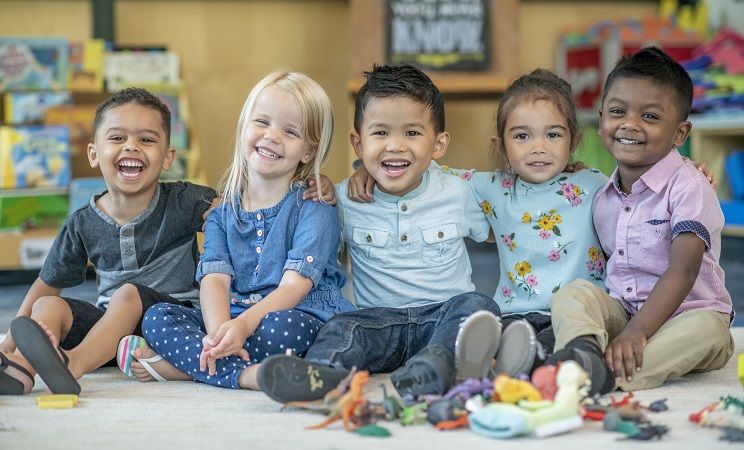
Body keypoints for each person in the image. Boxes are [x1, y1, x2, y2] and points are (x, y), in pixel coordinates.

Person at [257, 64, 514, 404]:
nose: (395, 145)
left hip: (442, 317)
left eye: (412, 133)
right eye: (380, 133)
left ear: (438, 144)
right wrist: (320, 185)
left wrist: (565, 176)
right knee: (341, 326)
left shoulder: (458, 191)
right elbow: (298, 220)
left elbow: (506, 224)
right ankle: (320, 374)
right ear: (358, 143)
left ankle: (435, 365)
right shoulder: (343, 199)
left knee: (480, 306)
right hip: (378, 323)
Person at [347, 69, 611, 379]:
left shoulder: (594, 185)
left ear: (573, 140)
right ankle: (522, 365)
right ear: (501, 146)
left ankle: (535, 363)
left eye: (553, 135)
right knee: (491, 336)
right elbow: (423, 167)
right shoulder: (493, 187)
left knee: (551, 343)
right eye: (522, 136)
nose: (538, 147)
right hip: (514, 314)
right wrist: (365, 168)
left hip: (575, 316)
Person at [123, 70, 355, 391]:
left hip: (296, 313)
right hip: (234, 316)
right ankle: (246, 374)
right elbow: (215, 279)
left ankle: (188, 367)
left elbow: (293, 288)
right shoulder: (222, 211)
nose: (272, 136)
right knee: (157, 317)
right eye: (262, 122)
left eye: (290, 131)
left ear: (308, 152)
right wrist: (220, 333)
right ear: (244, 126)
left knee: (286, 330)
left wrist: (243, 326)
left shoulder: (314, 207)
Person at [1, 87, 217, 395]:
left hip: (174, 325)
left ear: (167, 157)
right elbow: (46, 285)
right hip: (108, 334)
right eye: (117, 138)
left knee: (128, 293)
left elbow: (240, 209)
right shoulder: (82, 222)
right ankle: (22, 367)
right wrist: (8, 345)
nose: (131, 146)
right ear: (94, 154)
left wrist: (228, 208)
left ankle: (74, 364)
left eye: (146, 140)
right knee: (47, 305)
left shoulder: (184, 200)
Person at [544, 47, 734, 394]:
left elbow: (684, 270)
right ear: (601, 119)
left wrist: (637, 332)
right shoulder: (602, 196)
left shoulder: (689, 186)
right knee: (574, 294)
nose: (629, 124)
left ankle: (605, 374)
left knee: (710, 331)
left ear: (680, 133)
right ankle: (583, 353)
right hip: (625, 313)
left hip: (687, 318)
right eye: (618, 112)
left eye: (649, 116)